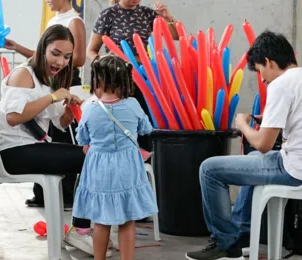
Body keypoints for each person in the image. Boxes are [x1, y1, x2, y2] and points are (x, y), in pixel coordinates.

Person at [185, 30, 302, 260]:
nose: (263, 79)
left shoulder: (280, 84)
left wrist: (243, 125)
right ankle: (243, 234)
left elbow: (263, 144)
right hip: (294, 161)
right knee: (250, 163)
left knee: (209, 169)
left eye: (260, 71)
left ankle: (225, 244)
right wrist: (266, 120)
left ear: (268, 61)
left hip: (293, 169)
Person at [72, 54, 158, 260]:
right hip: (127, 166)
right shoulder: (133, 105)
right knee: (127, 220)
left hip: (99, 166)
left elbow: (82, 137)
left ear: (97, 81)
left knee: (101, 221)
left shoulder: (90, 108)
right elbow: (146, 128)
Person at [4, 0, 86, 208]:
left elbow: (60, 123)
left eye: (67, 57)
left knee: (93, 154)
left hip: (29, 148)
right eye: (55, 54)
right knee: (94, 157)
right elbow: (13, 117)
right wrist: (52, 97)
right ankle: (87, 224)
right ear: (42, 49)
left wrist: (68, 112)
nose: (61, 62)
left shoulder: (45, 79)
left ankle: (87, 223)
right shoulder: (24, 73)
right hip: (13, 152)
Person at [86, 0, 178, 152]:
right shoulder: (108, 14)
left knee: (145, 119)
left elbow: (176, 36)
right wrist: (103, 62)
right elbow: (91, 51)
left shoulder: (147, 14)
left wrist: (168, 18)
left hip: (145, 76)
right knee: (122, 120)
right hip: (118, 78)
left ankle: (145, 160)